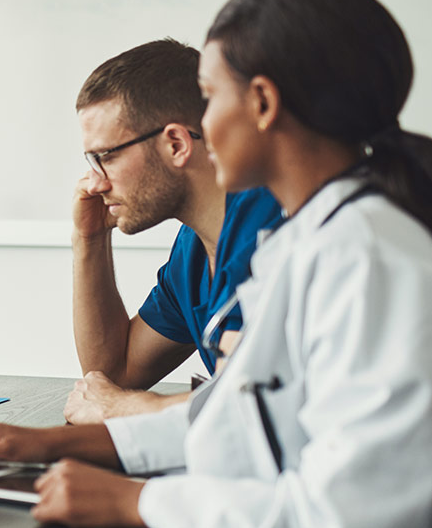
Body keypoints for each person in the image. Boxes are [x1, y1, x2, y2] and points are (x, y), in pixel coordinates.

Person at [0, 0, 432, 528]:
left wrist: (141, 502)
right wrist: (46, 444)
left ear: (263, 103)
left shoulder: (371, 263)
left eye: (210, 99)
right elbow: (238, 422)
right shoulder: (314, 244)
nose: (202, 127)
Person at [66, 40, 282, 425]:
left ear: (176, 144)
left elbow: (265, 405)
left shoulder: (276, 230)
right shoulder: (194, 250)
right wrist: (90, 240)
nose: (94, 183)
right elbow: (112, 374)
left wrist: (124, 407)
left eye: (107, 156)